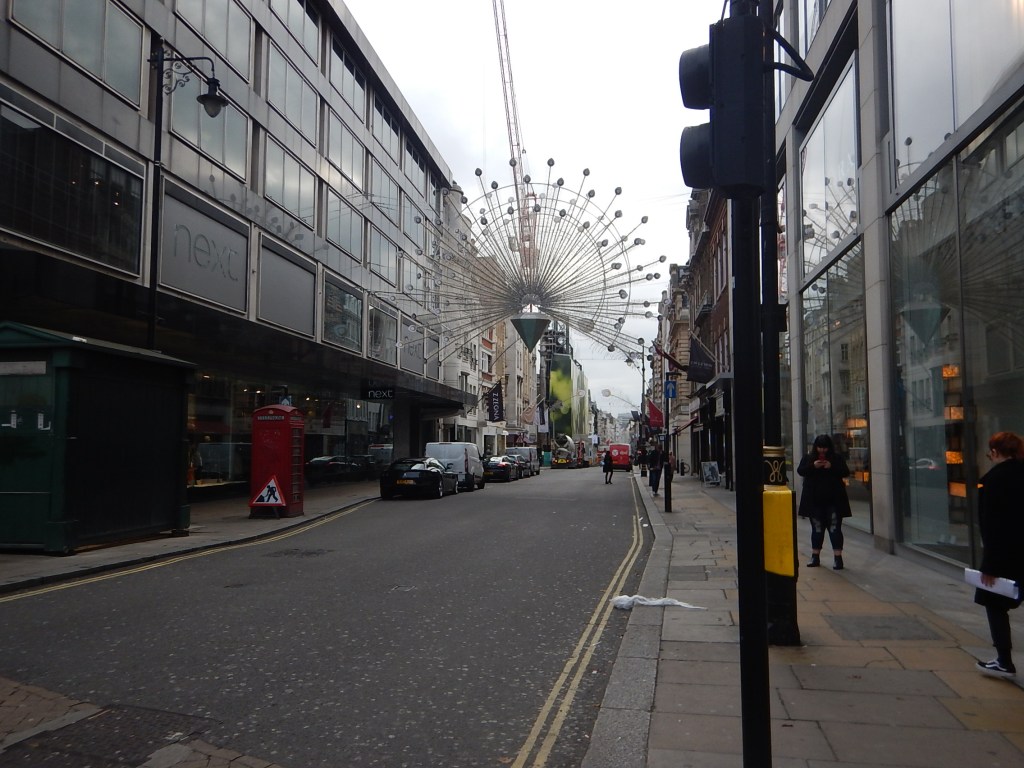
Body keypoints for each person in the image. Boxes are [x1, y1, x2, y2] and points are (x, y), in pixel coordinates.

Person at [974, 431, 1024, 679]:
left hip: (1005, 555)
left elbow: (992, 525)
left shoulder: (994, 480)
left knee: (994, 603)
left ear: (995, 452)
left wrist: (989, 565)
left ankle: (1004, 660)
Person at [797, 434, 851, 570]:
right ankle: (815, 556)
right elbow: (801, 471)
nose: (822, 451)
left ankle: (838, 558)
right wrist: (813, 466)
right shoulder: (808, 458)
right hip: (815, 500)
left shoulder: (836, 458)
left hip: (833, 500)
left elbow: (845, 472)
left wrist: (831, 467)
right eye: (820, 448)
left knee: (834, 528)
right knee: (817, 529)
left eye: (825, 448)